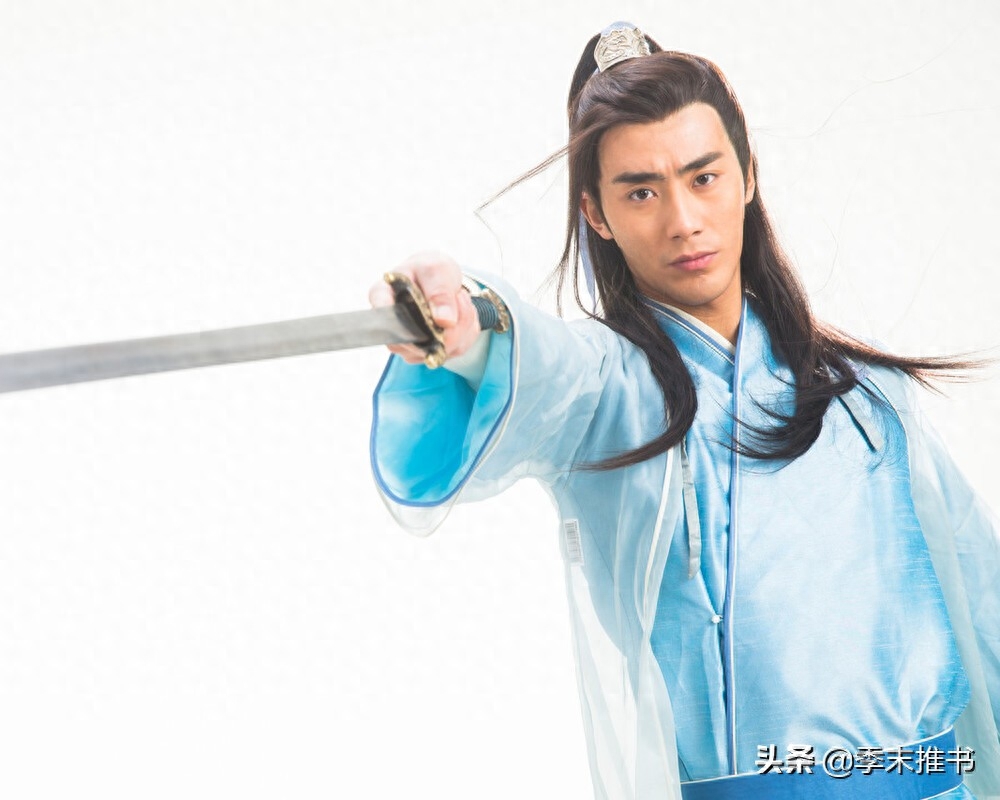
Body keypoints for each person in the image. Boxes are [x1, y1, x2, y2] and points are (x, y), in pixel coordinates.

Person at [366, 22, 1000, 800]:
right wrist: (463, 325)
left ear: (747, 176)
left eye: (704, 178)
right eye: (641, 191)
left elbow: (984, 603)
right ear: (596, 212)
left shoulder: (868, 397)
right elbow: (539, 363)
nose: (683, 220)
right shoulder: (612, 396)